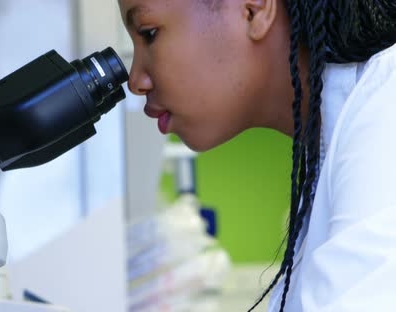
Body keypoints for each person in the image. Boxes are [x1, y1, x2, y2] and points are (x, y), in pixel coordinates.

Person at [117, 0, 396, 311]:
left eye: (149, 33)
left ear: (254, 9)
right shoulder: (338, 132)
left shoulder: (386, 114)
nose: (136, 81)